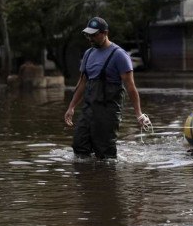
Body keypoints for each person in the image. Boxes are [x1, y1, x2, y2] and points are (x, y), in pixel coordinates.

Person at [64, 16, 149, 159]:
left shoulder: (119, 55)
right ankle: (88, 179)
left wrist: (139, 114)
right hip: (88, 110)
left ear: (105, 33)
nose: (90, 38)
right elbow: (83, 83)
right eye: (88, 35)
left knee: (105, 154)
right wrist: (71, 107)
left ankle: (107, 179)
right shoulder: (88, 54)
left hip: (108, 112)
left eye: (94, 35)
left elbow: (130, 87)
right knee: (79, 146)